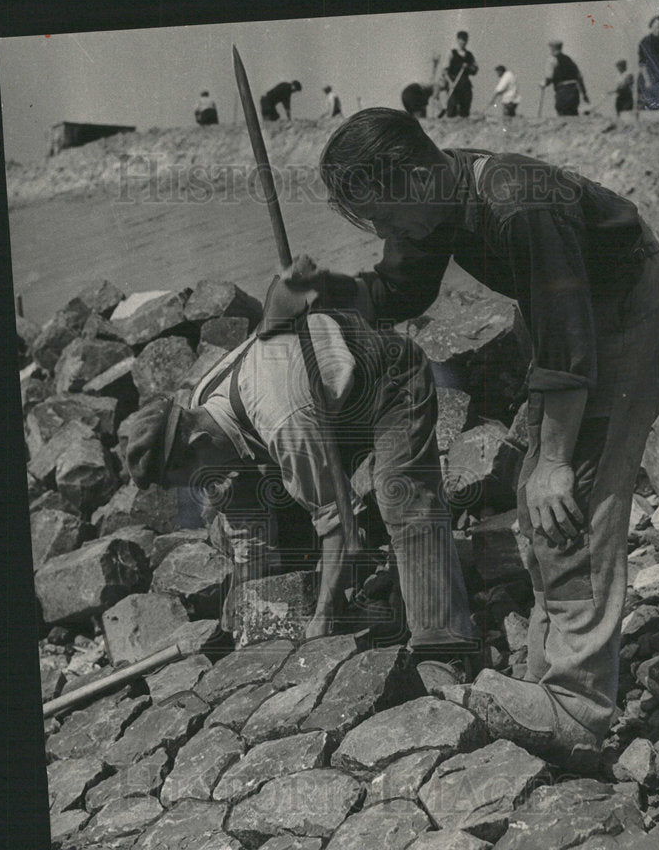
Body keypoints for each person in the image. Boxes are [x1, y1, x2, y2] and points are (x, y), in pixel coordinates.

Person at [282, 107, 659, 771]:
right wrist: (322, 294)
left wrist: (555, 456)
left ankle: (579, 706)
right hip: (568, 309)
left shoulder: (519, 203)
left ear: (412, 176)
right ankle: (553, 670)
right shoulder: (432, 197)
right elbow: (398, 289)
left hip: (620, 304)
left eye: (380, 215)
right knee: (537, 498)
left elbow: (566, 341)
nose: (380, 231)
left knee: (573, 496)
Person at [125, 285, 478, 683]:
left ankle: (444, 647)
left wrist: (323, 618)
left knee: (401, 498)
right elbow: (248, 538)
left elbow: (337, 520)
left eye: (187, 479)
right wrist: (241, 605)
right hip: (324, 414)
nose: (196, 488)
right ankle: (346, 580)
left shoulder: (277, 413)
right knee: (235, 514)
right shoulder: (207, 411)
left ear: (197, 442)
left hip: (387, 382)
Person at [542, 40, 588, 116]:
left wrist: (543, 84)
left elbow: (549, 77)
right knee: (573, 114)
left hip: (562, 91)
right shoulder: (569, 60)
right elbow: (580, 77)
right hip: (574, 91)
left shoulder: (552, 59)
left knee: (562, 113)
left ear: (552, 49)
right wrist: (584, 94)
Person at [443, 31, 478, 117]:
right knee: (452, 110)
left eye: (465, 40)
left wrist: (468, 67)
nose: (463, 42)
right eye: (461, 40)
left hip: (465, 85)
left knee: (465, 110)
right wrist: (450, 82)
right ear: (458, 40)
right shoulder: (451, 53)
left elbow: (475, 70)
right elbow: (444, 71)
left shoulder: (469, 55)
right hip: (454, 84)